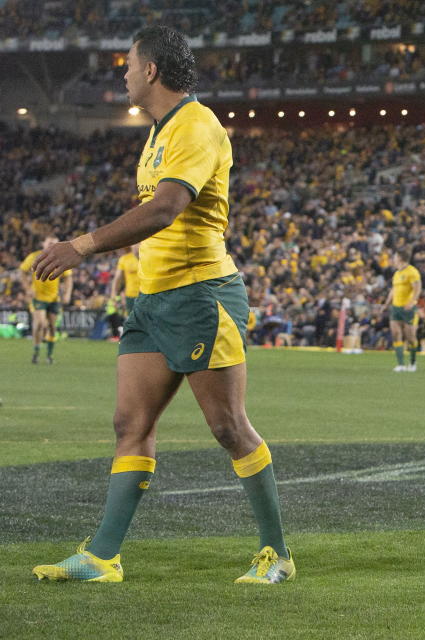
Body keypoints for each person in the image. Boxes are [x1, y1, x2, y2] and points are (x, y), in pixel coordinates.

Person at [30, 26, 293, 584]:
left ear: (150, 70)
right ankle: (103, 557)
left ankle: (278, 555)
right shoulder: (158, 133)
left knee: (227, 426)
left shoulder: (197, 125)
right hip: (154, 299)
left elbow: (166, 208)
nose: (122, 74)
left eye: (127, 65)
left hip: (201, 294)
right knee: (130, 422)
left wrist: (81, 245)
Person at [19, 235, 73, 364]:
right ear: (43, 244)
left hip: (54, 298)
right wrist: (27, 288)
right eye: (49, 243)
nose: (51, 245)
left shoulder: (61, 259)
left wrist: (67, 294)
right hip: (38, 297)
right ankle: (36, 350)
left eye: (54, 243)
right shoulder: (34, 257)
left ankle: (49, 355)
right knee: (41, 324)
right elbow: (22, 272)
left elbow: (68, 277)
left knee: (52, 327)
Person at [385, 250, 421, 372]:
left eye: (394, 256)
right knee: (395, 334)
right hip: (396, 307)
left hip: (407, 308)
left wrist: (412, 302)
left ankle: (413, 362)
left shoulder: (412, 272)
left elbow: (417, 288)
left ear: (400, 257)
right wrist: (386, 303)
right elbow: (394, 290)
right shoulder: (396, 274)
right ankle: (400, 364)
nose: (393, 259)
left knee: (410, 337)